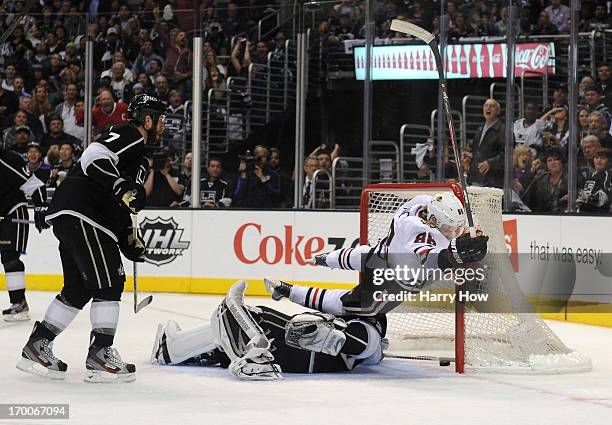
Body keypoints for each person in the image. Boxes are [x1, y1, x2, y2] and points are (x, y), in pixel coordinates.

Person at [17, 94, 167, 383]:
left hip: (79, 217)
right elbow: (92, 158)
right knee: (110, 282)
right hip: (85, 216)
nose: (162, 125)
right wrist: (121, 186)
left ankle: (38, 344)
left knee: (79, 288)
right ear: (147, 119)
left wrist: (128, 239)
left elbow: (126, 203)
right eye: (159, 119)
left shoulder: (139, 158)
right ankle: (100, 352)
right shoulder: (129, 134)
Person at [266, 191, 488, 317]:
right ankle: (287, 291)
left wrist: (459, 237)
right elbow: (426, 258)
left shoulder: (421, 203)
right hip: (393, 284)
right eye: (450, 228)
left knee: (363, 255)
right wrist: (452, 255)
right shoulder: (422, 233)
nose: (453, 233)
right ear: (433, 220)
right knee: (352, 306)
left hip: (381, 254)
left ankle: (322, 259)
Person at [151, 280, 385, 380]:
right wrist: (288, 290)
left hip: (301, 354)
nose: (352, 296)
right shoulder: (363, 315)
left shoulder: (369, 328)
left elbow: (363, 344)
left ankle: (258, 359)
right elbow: (326, 300)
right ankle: (172, 348)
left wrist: (327, 334)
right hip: (300, 356)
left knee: (235, 312)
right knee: (226, 332)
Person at [0, 146, 49, 321]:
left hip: (12, 212)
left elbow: (34, 184)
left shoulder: (8, 159)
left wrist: (41, 207)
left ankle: (19, 303)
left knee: (9, 257)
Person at [463, 99, 506, 188]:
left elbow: (507, 154)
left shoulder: (503, 130)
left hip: (492, 181)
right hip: (475, 178)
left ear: (498, 111)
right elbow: (480, 152)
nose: (488, 108)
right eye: (486, 105)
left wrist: (491, 163)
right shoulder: (479, 129)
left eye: (492, 106)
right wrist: (470, 156)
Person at [523, 148, 568, 213]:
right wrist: (532, 171)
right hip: (543, 215)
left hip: (565, 215)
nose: (553, 162)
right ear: (546, 164)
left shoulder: (570, 178)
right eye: (549, 160)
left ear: (562, 161)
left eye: (556, 159)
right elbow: (530, 199)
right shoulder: (540, 179)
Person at [577, 148, 612, 213]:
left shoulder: (608, 175)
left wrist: (589, 198)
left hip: (599, 215)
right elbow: (585, 193)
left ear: (609, 162)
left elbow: (607, 195)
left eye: (602, 158)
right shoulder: (591, 176)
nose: (599, 160)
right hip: (585, 213)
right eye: (596, 157)